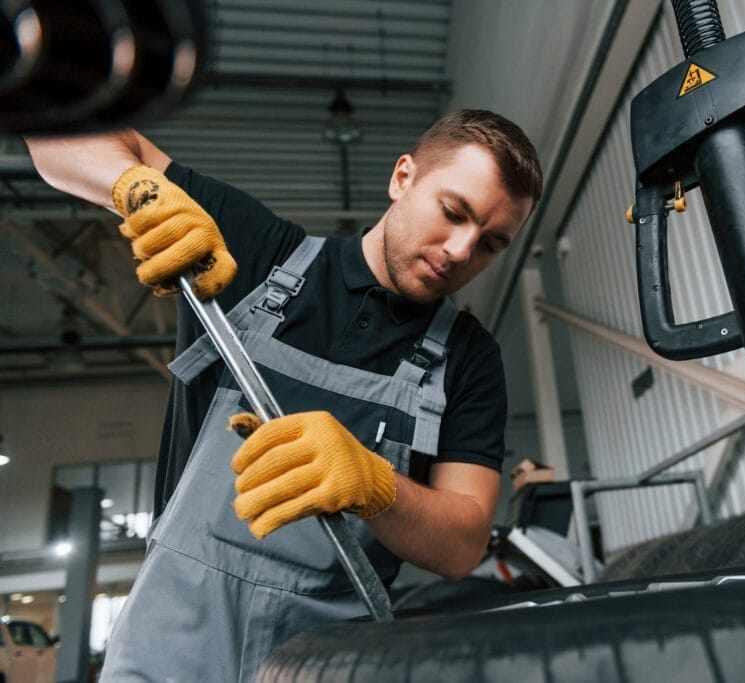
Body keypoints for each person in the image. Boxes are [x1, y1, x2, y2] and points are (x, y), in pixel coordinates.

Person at [26, 108, 542, 681]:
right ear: (403, 178)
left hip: (329, 664)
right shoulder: (256, 253)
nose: (461, 251)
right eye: (453, 213)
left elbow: (463, 545)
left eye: (491, 243)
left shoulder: (469, 359)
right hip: (169, 649)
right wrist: (136, 187)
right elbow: (55, 131)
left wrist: (374, 483)